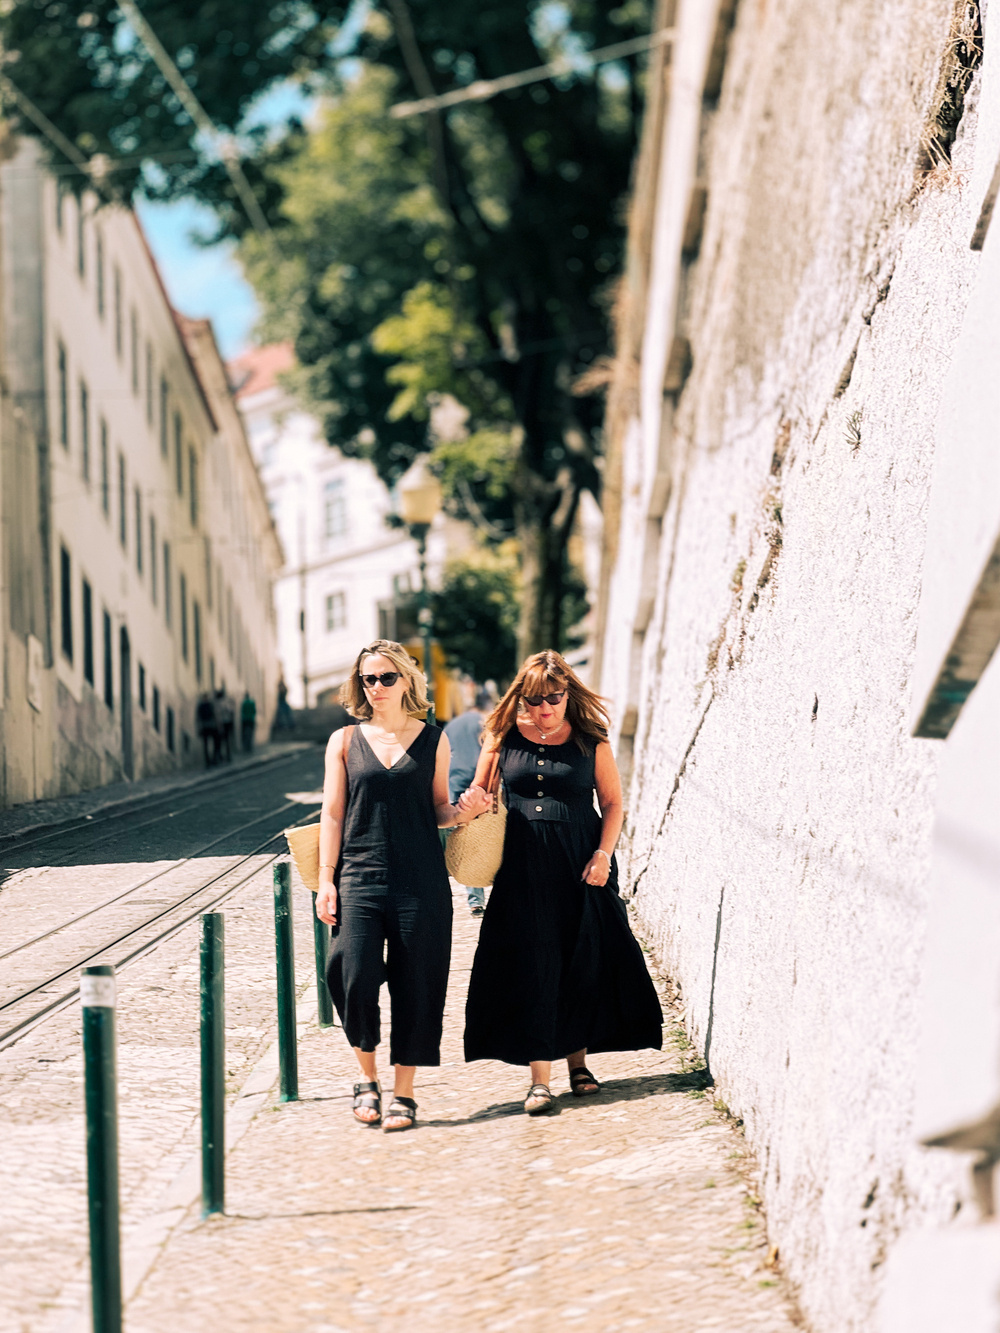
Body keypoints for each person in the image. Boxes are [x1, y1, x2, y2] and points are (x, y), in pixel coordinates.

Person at [459, 649, 663, 1115]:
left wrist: (603, 855)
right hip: (522, 865)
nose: (544, 708)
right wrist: (466, 802)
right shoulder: (503, 736)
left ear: (567, 692)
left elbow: (612, 803)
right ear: (520, 699)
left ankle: (579, 1064)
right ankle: (539, 1080)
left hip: (580, 863)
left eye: (553, 697)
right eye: (533, 700)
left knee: (581, 960)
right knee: (533, 965)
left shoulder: (592, 739)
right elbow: (481, 797)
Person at [315, 638, 490, 1132]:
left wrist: (463, 812)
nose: (376, 687)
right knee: (350, 972)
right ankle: (365, 1078)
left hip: (420, 881)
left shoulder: (433, 740)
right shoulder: (345, 742)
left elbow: (437, 809)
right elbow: (331, 813)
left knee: (419, 984)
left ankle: (404, 1093)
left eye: (386, 677)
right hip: (359, 876)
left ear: (406, 681)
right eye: (368, 679)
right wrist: (326, 881)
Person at [443, 687, 493, 915]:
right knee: (490, 832)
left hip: (456, 782)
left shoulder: (450, 727)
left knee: (467, 837)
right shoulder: (481, 722)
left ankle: (475, 900)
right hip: (479, 781)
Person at [195, 693, 219, 767]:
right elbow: (214, 715)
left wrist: (199, 728)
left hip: (205, 726)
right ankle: (211, 760)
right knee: (211, 744)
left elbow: (198, 718)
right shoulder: (209, 705)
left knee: (207, 745)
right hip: (210, 726)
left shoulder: (201, 706)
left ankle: (209, 760)